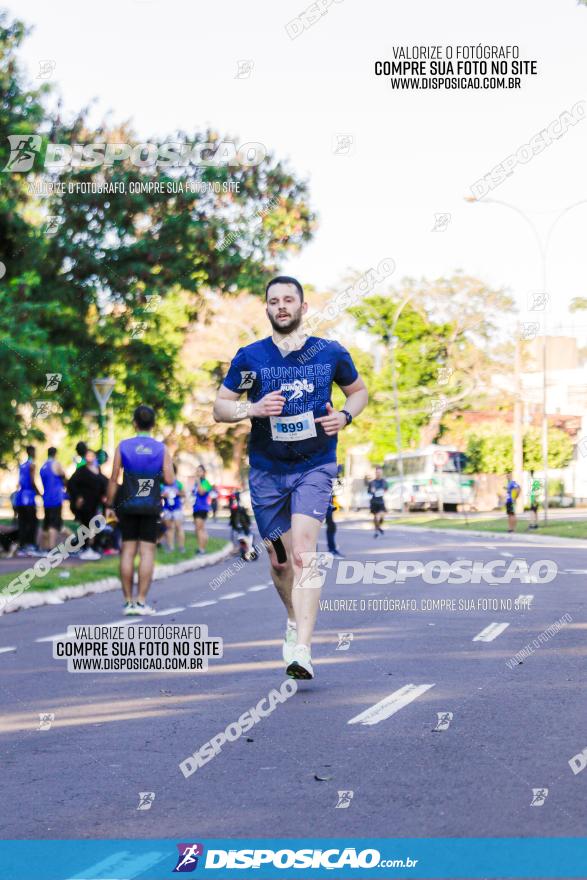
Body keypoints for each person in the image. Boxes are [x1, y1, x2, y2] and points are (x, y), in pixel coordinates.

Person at [213, 275, 368, 680]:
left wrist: (345, 415)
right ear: (267, 308)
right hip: (267, 470)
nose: (281, 306)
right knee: (280, 562)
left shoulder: (329, 353)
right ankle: (293, 620)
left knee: (303, 553)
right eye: (274, 301)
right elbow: (221, 407)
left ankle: (303, 650)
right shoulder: (251, 359)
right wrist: (254, 409)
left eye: (289, 300)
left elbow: (359, 392)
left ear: (303, 308)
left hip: (315, 465)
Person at [107, 404, 175, 615]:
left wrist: (109, 505)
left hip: (127, 506)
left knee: (127, 551)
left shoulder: (123, 446)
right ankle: (141, 601)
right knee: (147, 552)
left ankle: (127, 602)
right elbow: (170, 479)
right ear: (153, 424)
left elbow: (113, 477)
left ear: (134, 423)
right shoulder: (161, 449)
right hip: (150, 507)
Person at [67, 449, 108, 560]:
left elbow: (103, 483)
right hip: (85, 503)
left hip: (96, 502)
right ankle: (84, 547)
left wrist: (104, 494)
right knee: (86, 525)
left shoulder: (97, 470)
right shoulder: (81, 471)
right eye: (88, 456)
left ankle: (94, 547)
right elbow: (71, 484)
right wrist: (78, 497)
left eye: (92, 455)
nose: (90, 458)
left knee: (96, 525)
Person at [15, 446, 41, 556]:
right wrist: (39, 492)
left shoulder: (22, 465)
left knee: (22, 522)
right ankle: (31, 545)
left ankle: (22, 546)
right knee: (32, 522)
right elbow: (32, 480)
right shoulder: (32, 464)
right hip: (28, 497)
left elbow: (19, 482)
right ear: (32, 452)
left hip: (20, 497)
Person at [40, 447, 66, 550]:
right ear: (55, 454)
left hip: (46, 498)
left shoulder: (43, 466)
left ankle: (44, 547)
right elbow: (63, 475)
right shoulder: (56, 464)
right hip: (56, 498)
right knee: (54, 525)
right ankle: (51, 548)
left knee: (46, 524)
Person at [161, 477, 186, 552]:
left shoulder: (178, 483)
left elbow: (184, 494)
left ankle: (181, 547)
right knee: (169, 528)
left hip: (177, 508)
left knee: (179, 527)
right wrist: (163, 495)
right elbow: (158, 494)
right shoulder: (162, 484)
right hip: (167, 508)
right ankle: (170, 547)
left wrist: (178, 493)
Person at [192, 465, 212, 555]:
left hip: (202, 508)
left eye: (200, 471)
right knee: (199, 529)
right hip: (196, 508)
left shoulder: (206, 483)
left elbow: (201, 492)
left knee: (200, 529)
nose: (198, 473)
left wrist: (199, 481)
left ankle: (201, 549)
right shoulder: (196, 483)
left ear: (204, 473)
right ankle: (202, 548)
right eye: (197, 471)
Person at [368, 465, 388, 537]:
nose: (378, 473)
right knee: (376, 517)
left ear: (381, 473)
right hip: (374, 502)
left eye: (379, 472)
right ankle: (376, 531)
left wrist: (382, 491)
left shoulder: (384, 481)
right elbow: (369, 492)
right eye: (377, 472)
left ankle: (378, 528)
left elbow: (385, 490)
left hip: (381, 502)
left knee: (381, 517)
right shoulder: (372, 482)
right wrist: (372, 491)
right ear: (375, 473)